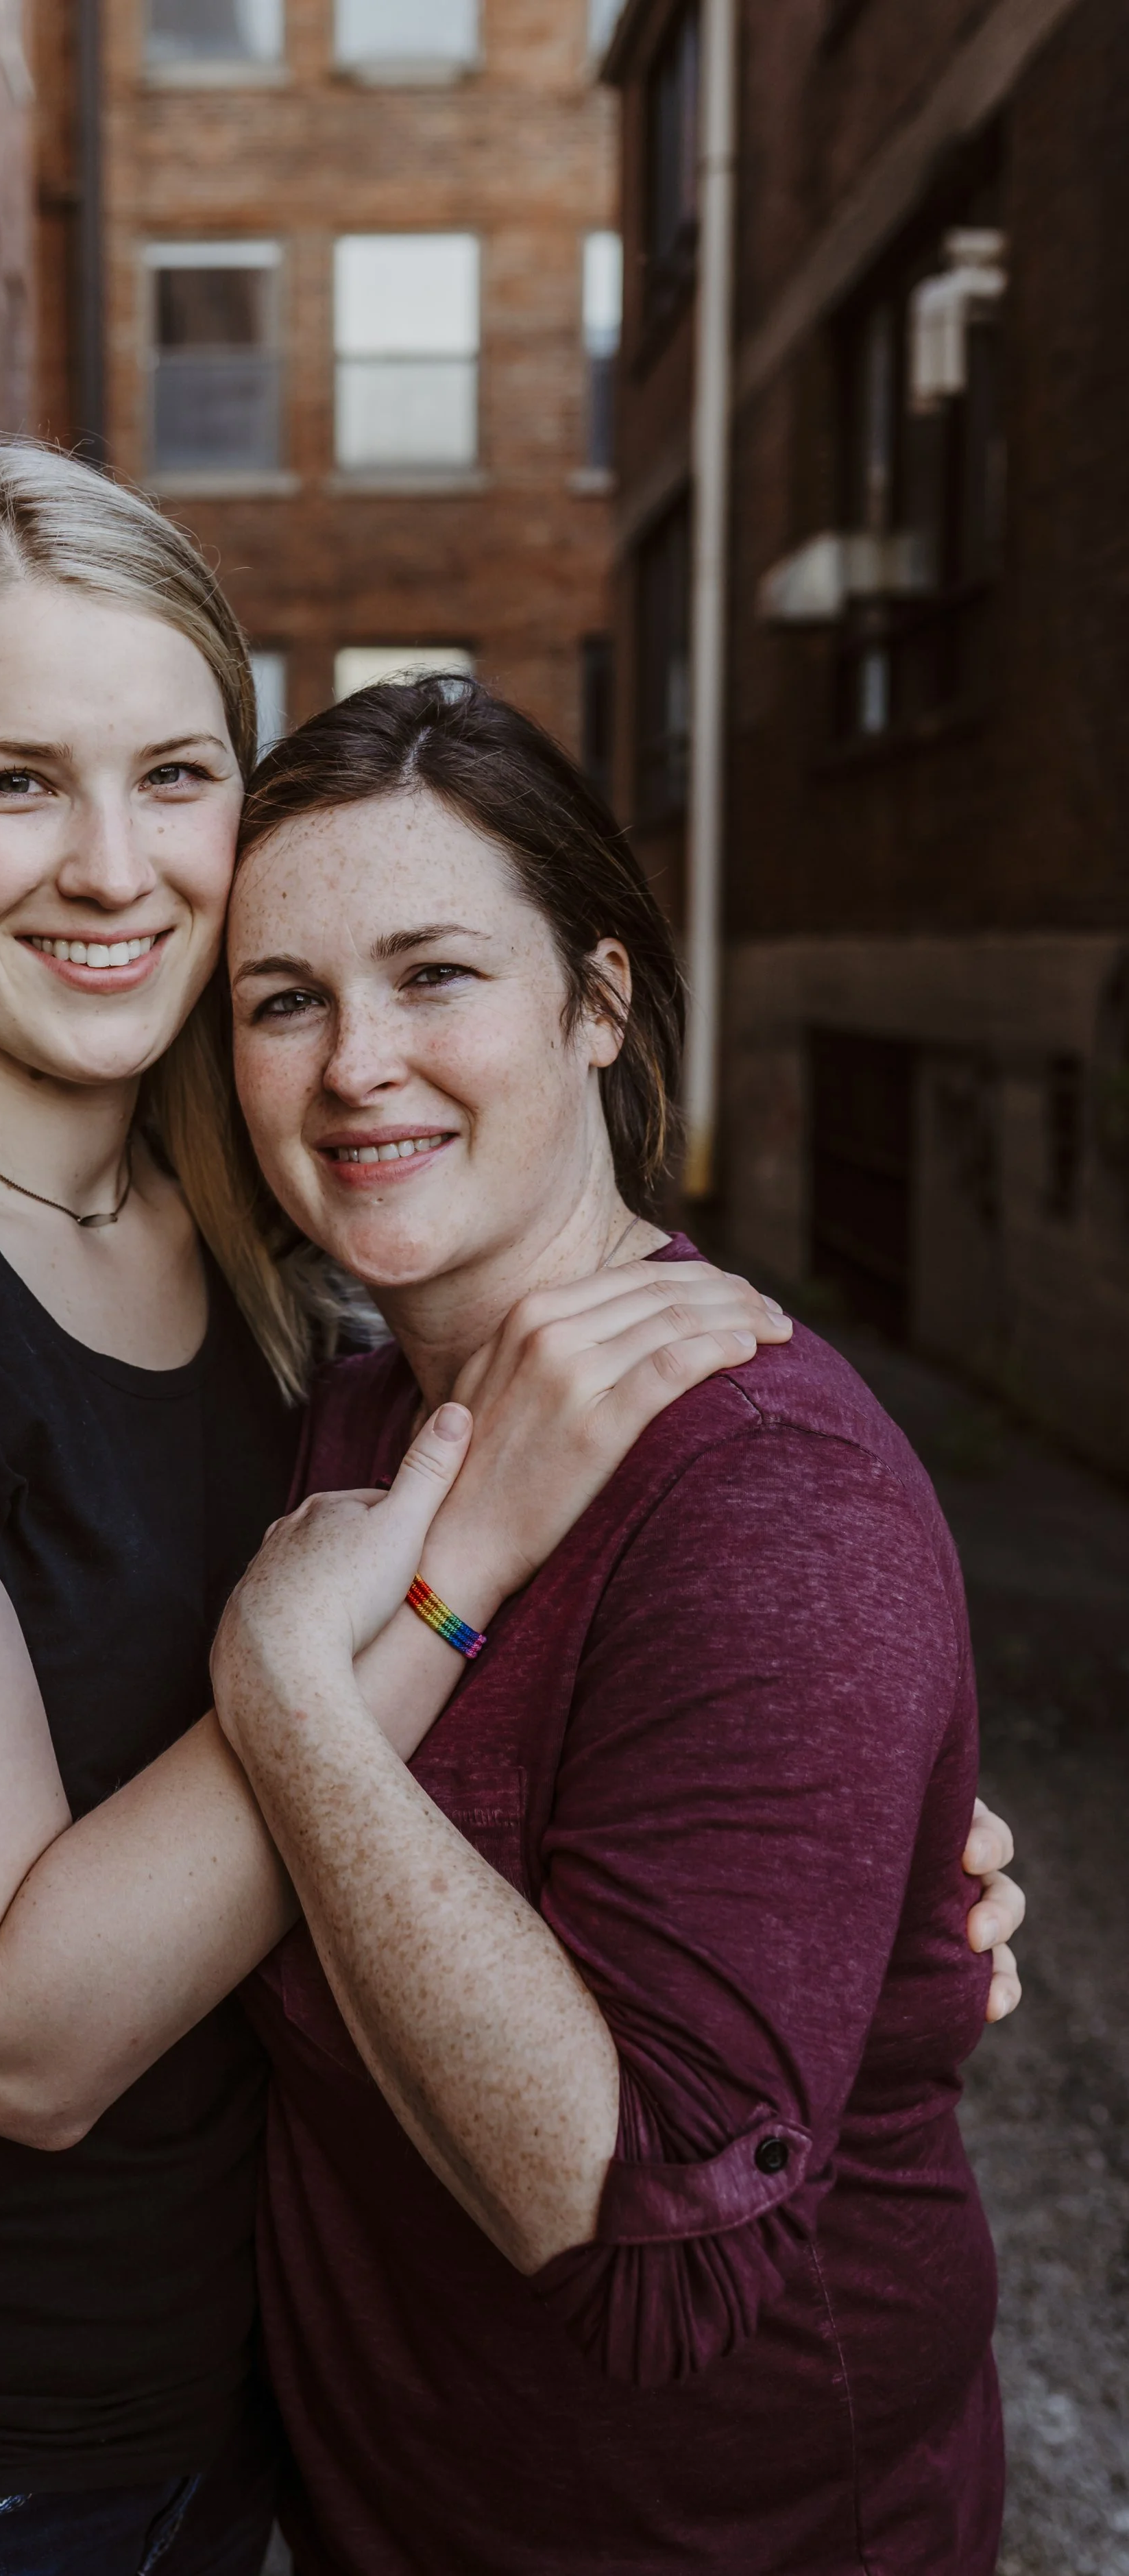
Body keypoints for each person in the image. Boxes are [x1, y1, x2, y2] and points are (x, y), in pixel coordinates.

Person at [0, 444, 805, 2576]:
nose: (114, 867)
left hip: (224, 2411)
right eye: (14, 783)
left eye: (173, 775)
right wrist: (443, 1576)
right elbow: (14, 2035)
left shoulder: (279, 1249)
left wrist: (837, 1846)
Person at [202, 675, 1015, 2571]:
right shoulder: (319, 1424)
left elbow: (653, 2246)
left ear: (596, 1001)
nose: (356, 1063)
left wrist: (291, 1702)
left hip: (727, 2534)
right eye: (284, 999)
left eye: (434, 975)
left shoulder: (767, 1495)